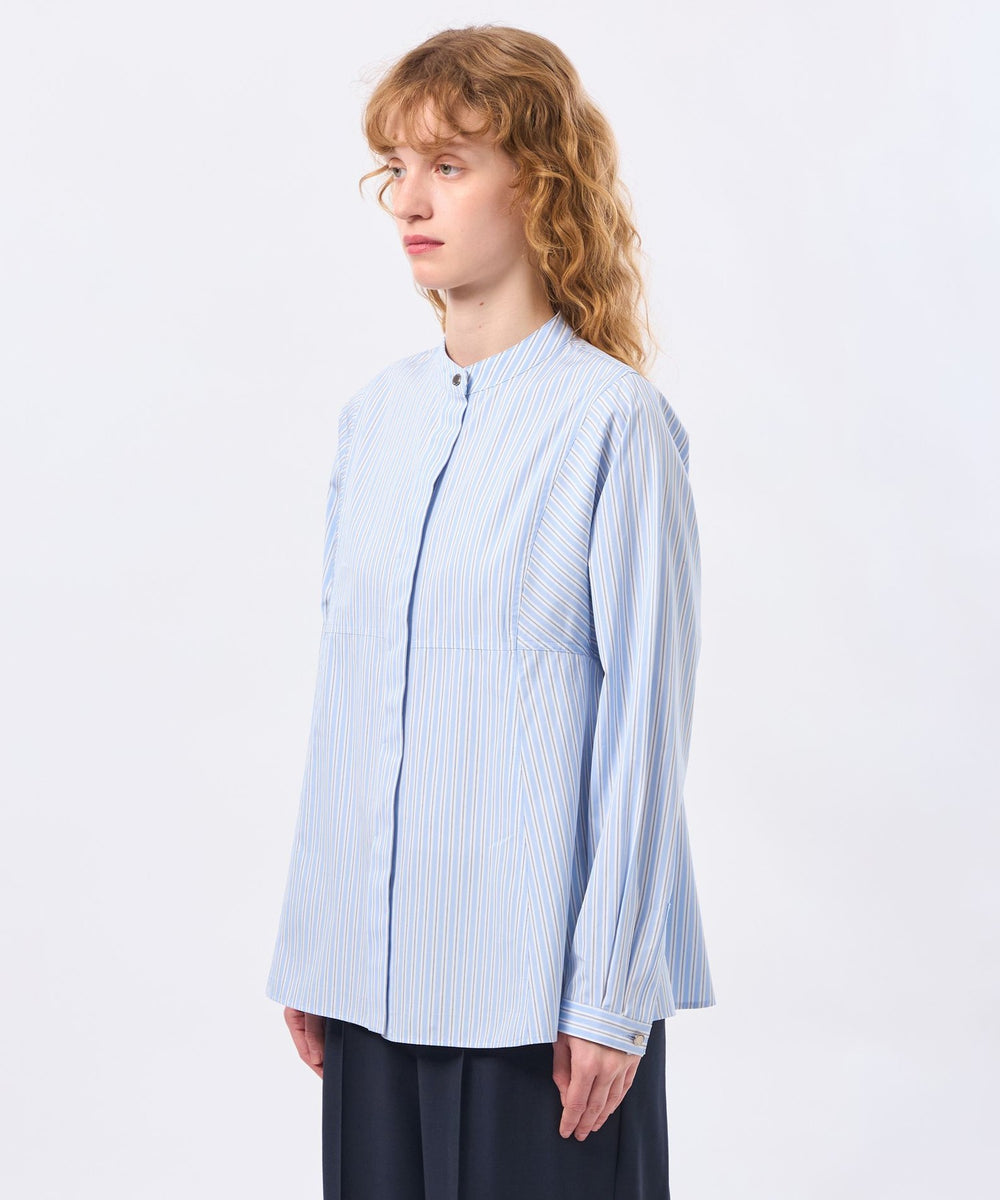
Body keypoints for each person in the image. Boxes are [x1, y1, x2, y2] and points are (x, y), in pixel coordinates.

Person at [266, 24, 715, 1200]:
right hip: (369, 986)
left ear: (540, 184)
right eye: (396, 168)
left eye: (449, 165)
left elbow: (643, 728)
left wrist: (610, 997)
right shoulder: (375, 420)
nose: (409, 200)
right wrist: (317, 943)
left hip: (540, 1008)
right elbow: (350, 696)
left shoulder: (613, 425)